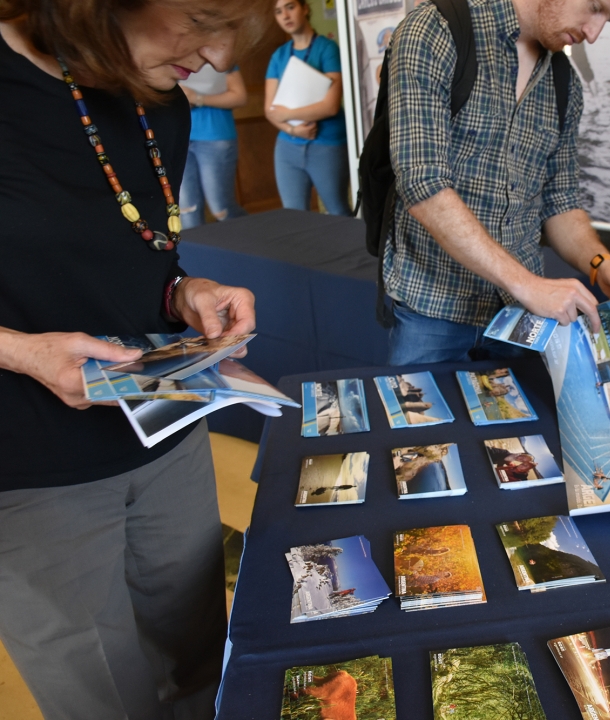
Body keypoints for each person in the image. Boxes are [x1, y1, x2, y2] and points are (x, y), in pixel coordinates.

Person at [0, 1, 266, 717]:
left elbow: (139, 251)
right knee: (99, 691)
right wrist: (22, 353)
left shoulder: (158, 102)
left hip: (165, 433)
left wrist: (187, 292)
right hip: (29, 470)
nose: (216, 58)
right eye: (202, 23)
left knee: (201, 659)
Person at [384, 0, 610, 365]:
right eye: (595, 7)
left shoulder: (564, 82)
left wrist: (602, 264)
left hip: (521, 317)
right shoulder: (435, 31)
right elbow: (423, 182)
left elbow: (559, 200)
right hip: (433, 308)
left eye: (609, 20)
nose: (594, 34)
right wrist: (527, 284)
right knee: (428, 418)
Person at [265, 0, 350, 215]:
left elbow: (330, 106)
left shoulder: (327, 48)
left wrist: (288, 114)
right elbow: (269, 109)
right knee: (294, 217)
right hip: (287, 146)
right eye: (278, 11)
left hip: (327, 143)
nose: (285, 15)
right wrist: (293, 129)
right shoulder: (279, 55)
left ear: (305, 8)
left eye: (290, 7)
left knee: (337, 212)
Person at [179, 65, 249, 228]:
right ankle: (197, 254)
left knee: (221, 209)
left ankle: (256, 243)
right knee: (187, 211)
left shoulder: (218, 55)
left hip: (214, 135)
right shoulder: (168, 54)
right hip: (178, 136)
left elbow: (240, 96)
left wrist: (197, 98)